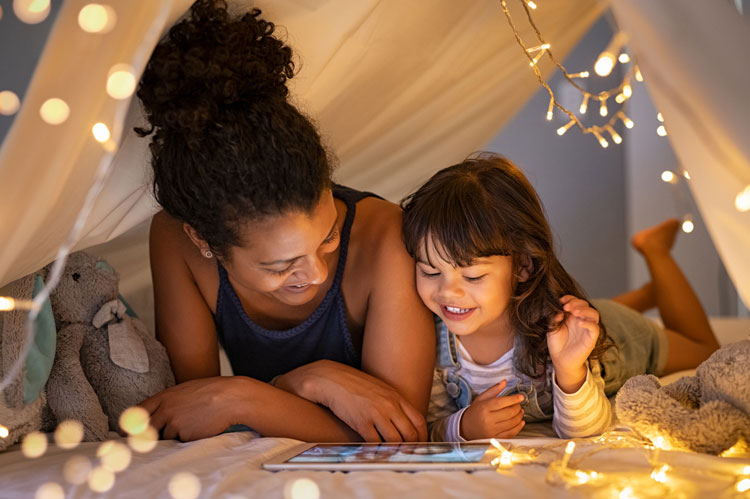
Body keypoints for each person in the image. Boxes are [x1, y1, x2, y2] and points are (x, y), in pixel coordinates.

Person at [134, 0, 434, 443]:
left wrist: (262, 392)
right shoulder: (174, 240)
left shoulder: (388, 235)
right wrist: (270, 393)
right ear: (205, 242)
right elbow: (194, 410)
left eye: (329, 236)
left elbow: (401, 437)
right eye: (279, 266)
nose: (315, 272)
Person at [400, 153, 720, 441]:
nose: (447, 291)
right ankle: (647, 295)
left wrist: (570, 370)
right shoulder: (428, 340)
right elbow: (429, 424)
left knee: (704, 349)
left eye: (472, 276)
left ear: (523, 265)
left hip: (614, 338)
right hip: (564, 313)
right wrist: (462, 427)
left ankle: (656, 251)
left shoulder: (556, 334)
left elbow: (586, 428)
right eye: (429, 272)